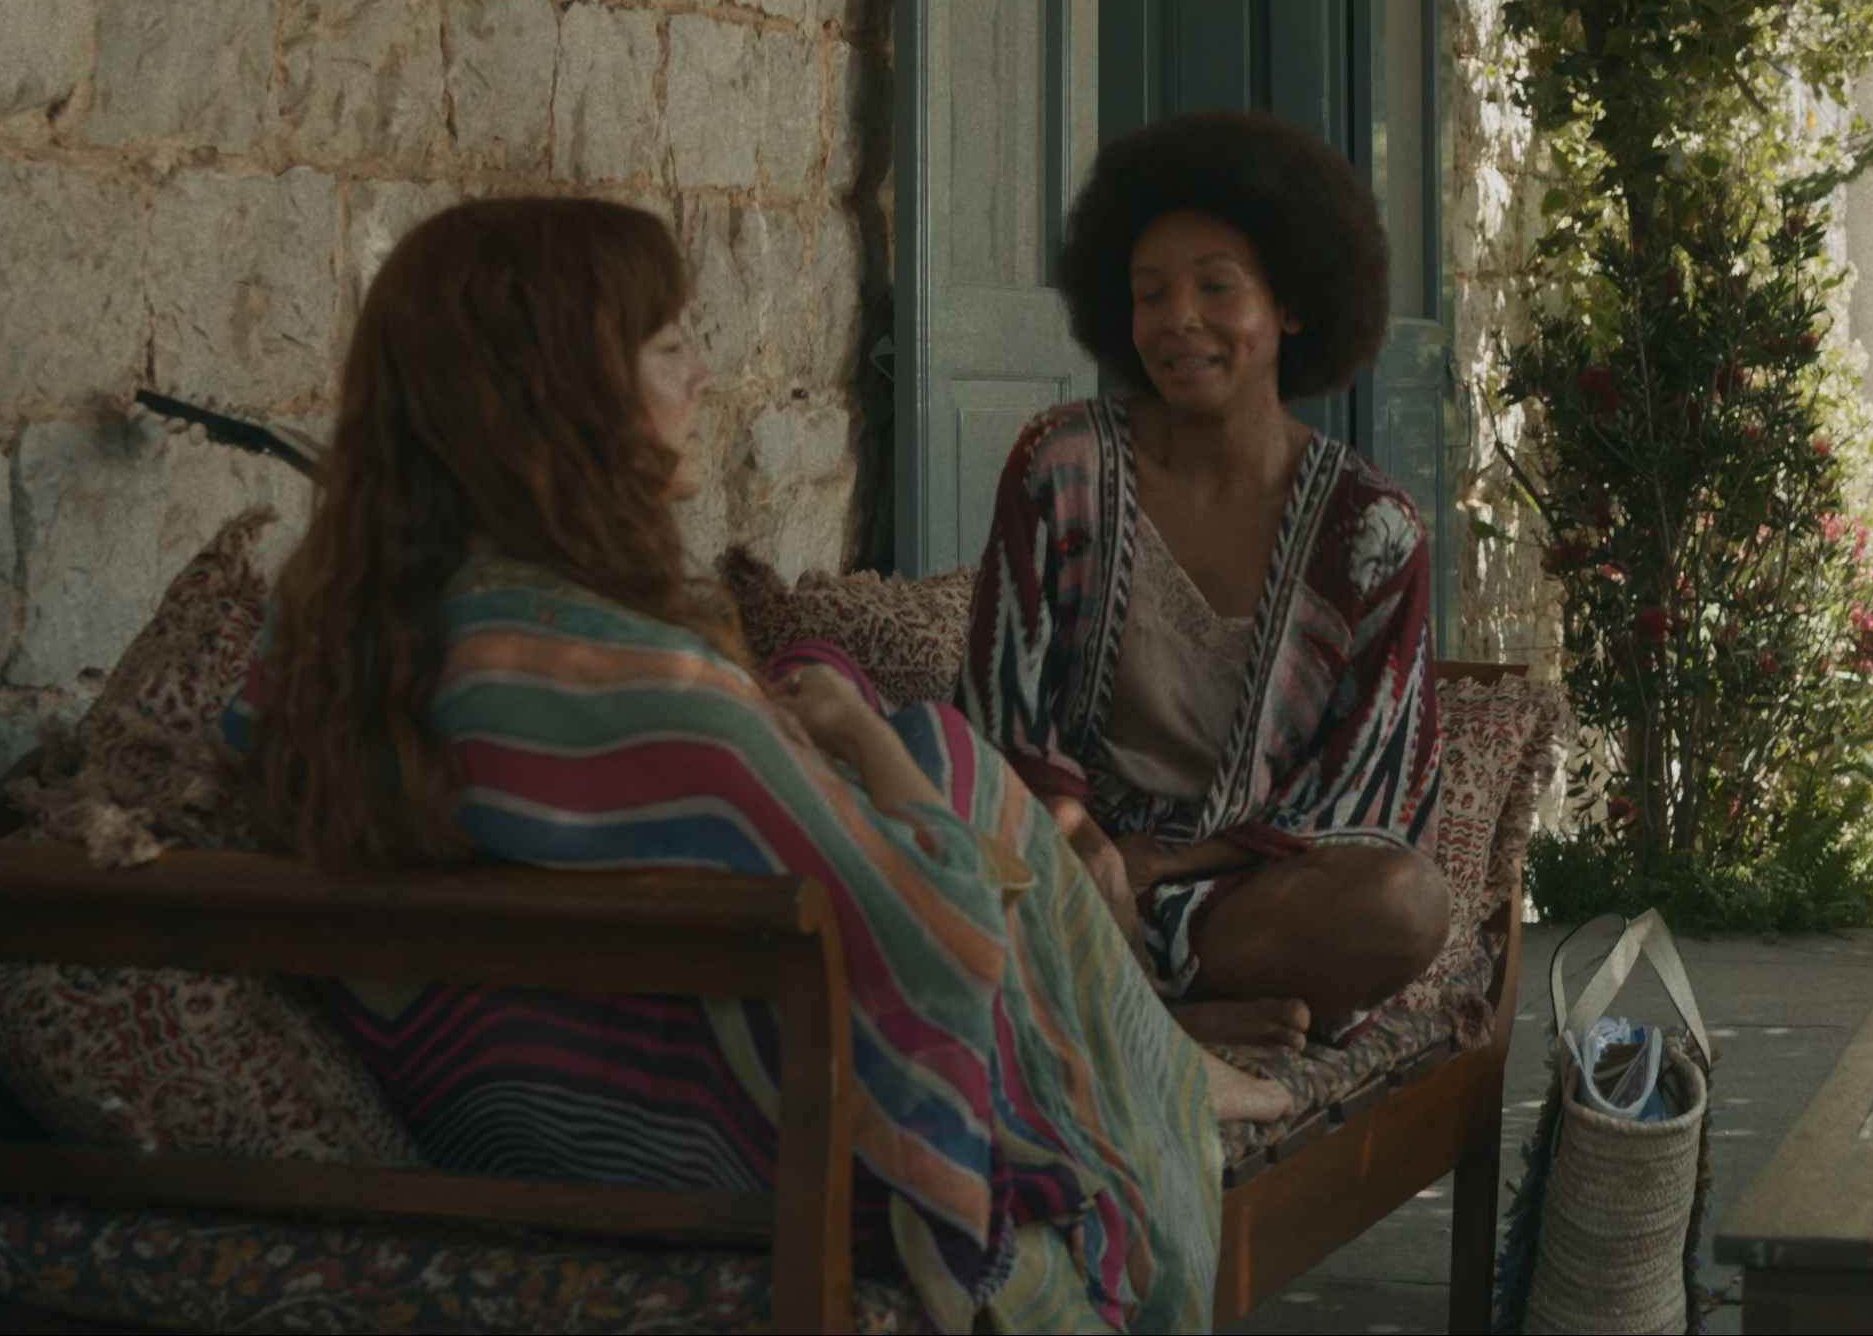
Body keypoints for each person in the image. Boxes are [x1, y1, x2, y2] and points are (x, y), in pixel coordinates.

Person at [243, 197, 1277, 1333]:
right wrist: (863, 742)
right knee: (943, 759)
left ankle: (1158, 1063)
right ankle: (1156, 1080)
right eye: (669, 346)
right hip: (765, 1167)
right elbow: (938, 947)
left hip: (509, 1126)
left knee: (922, 748)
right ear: (557, 397)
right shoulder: (654, 700)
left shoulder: (326, 651)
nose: (707, 377)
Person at [966, 109, 1451, 1053]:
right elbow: (1002, 713)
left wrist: (1152, 863)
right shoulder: (1061, 466)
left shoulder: (1372, 529)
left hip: (1247, 895)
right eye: (1149, 294)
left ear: (1292, 304)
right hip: (1061, 864)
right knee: (968, 859)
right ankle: (1168, 1019)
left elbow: (1366, 793)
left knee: (1405, 904)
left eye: (1216, 288)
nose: (1177, 320)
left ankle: (1129, 1002)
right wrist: (1082, 838)